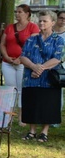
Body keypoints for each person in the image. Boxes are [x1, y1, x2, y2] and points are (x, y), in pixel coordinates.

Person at [19, 10, 64, 142]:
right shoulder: (31, 39)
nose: (42, 23)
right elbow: (23, 56)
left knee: (48, 104)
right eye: (40, 20)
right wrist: (34, 67)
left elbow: (57, 58)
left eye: (45, 21)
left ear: (53, 23)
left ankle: (44, 132)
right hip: (31, 77)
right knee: (32, 103)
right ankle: (31, 131)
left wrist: (41, 69)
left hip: (49, 79)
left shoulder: (58, 40)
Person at [0, 4, 39, 102]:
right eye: (16, 12)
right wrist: (6, 56)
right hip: (8, 62)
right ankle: (9, 114)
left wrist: (20, 59)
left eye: (20, 12)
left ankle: (22, 115)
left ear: (27, 14)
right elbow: (2, 44)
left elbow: (33, 47)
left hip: (23, 63)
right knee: (9, 90)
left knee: (22, 90)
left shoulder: (32, 27)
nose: (17, 14)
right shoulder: (9, 28)